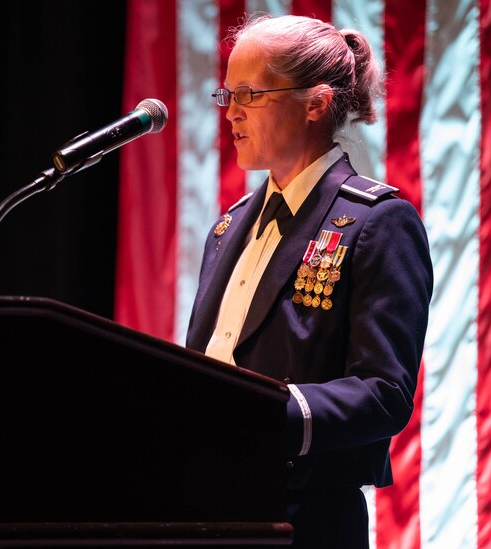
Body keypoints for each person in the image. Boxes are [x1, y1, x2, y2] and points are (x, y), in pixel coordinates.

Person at [185, 13, 434, 548]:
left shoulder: (377, 222)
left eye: (249, 94)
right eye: (226, 94)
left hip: (304, 519)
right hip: (208, 506)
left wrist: (266, 416)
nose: (231, 113)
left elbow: (385, 392)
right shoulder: (227, 228)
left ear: (316, 103)